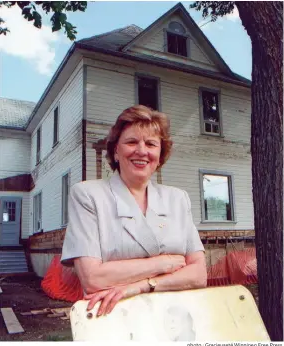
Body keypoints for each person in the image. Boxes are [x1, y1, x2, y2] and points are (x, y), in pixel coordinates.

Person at [61, 105, 207, 317]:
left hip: (176, 318)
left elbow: (199, 274)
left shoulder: (178, 198)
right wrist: (164, 262)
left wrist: (145, 284)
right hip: (114, 317)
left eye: (151, 144)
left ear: (160, 154)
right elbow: (93, 279)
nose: (141, 150)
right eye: (131, 142)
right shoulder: (88, 195)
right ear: (116, 151)